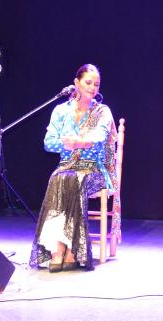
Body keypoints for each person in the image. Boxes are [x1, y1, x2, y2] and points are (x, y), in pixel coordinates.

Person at [30, 64, 118, 272]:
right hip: (66, 167)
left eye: (96, 84)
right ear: (76, 83)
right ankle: (57, 249)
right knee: (59, 179)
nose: (93, 87)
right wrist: (66, 143)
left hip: (93, 170)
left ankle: (71, 249)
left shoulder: (101, 111)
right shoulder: (61, 111)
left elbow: (101, 136)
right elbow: (48, 142)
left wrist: (80, 142)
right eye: (88, 82)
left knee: (74, 180)